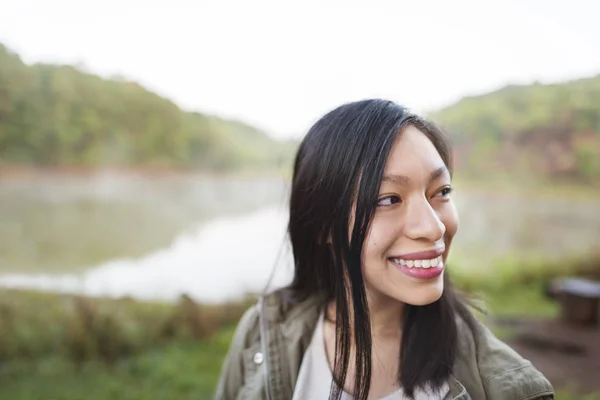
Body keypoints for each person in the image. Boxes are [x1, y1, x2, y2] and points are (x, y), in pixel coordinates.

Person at [214, 99, 554, 400]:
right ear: (322, 226)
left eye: (442, 191)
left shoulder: (511, 389)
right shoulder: (262, 332)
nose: (434, 226)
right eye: (389, 199)